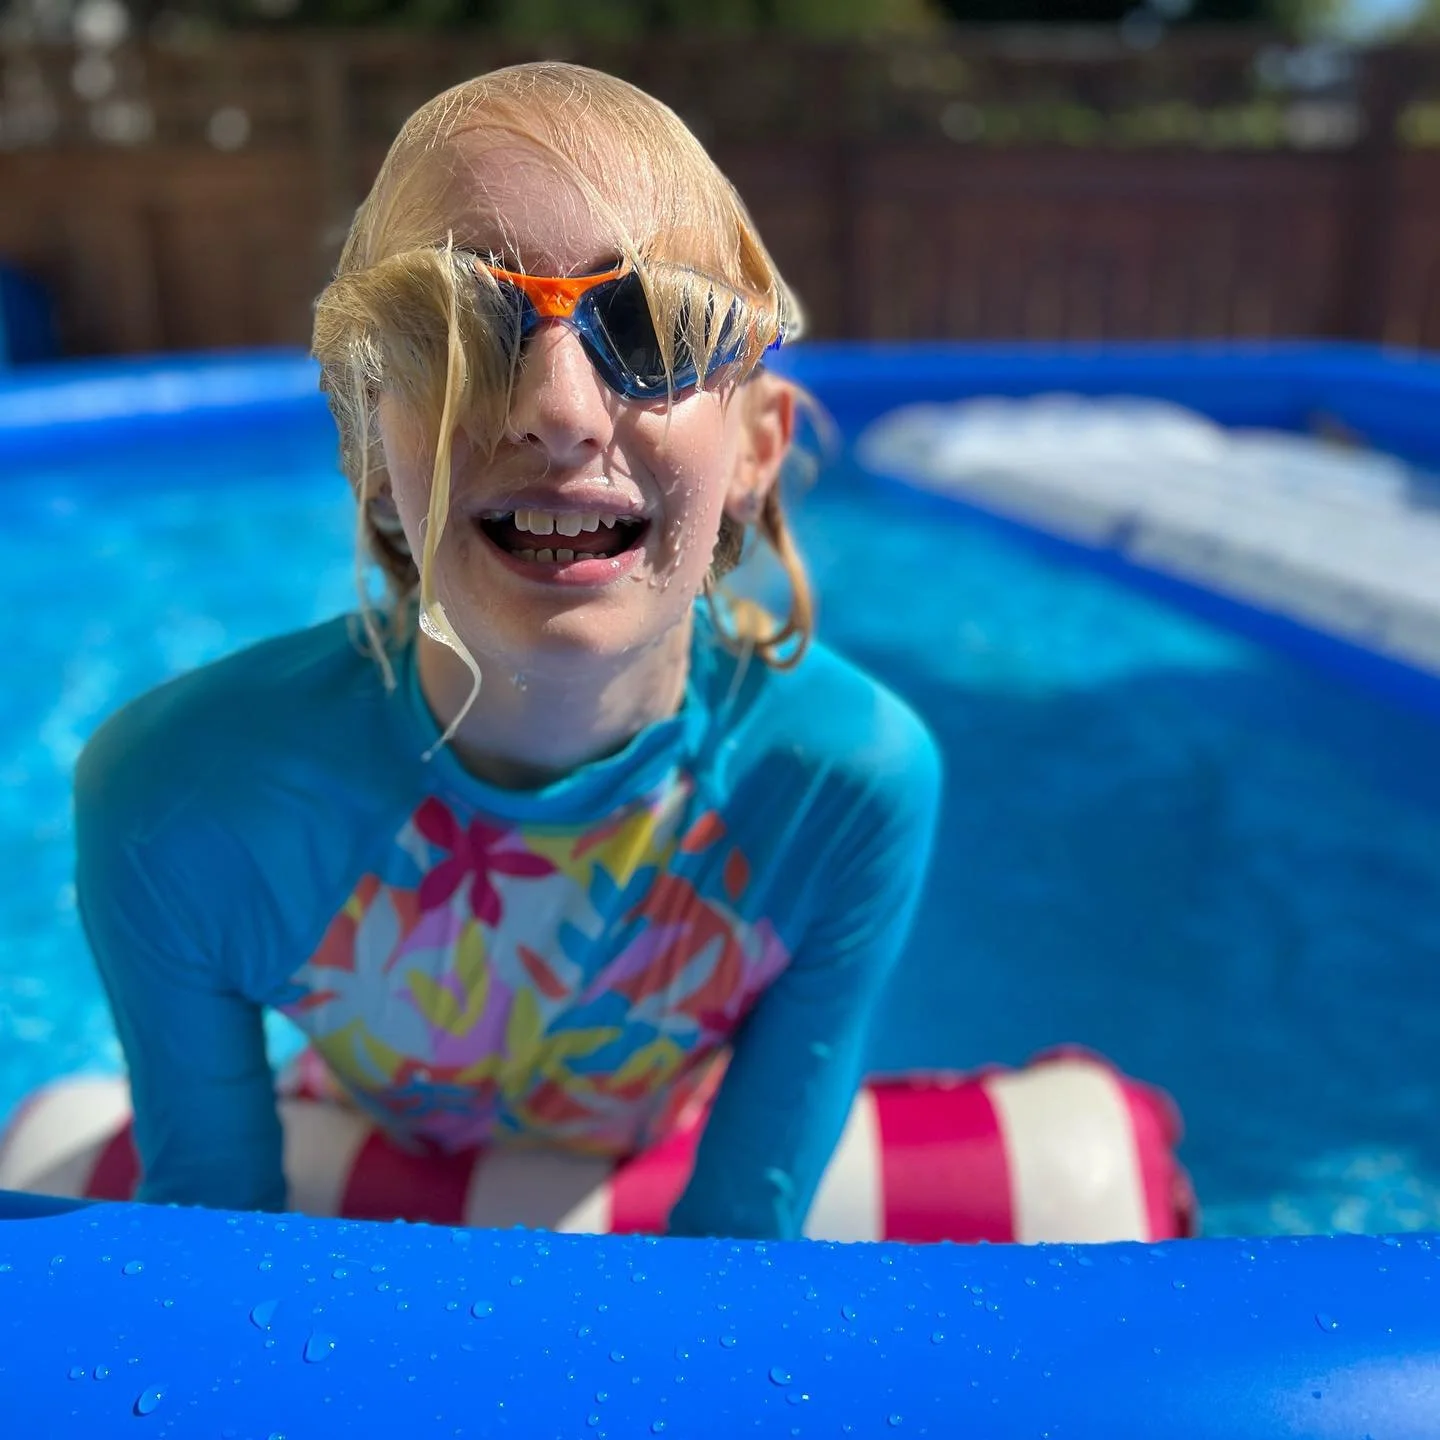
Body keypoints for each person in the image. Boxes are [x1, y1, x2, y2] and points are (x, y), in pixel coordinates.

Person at [73, 61, 942, 1240]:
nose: (561, 408)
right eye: (453, 323)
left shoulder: (838, 791)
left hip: (660, 1157)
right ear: (370, 450)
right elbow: (214, 1239)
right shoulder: (183, 799)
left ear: (756, 447)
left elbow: (744, 1240)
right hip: (355, 1132)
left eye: (655, 324)